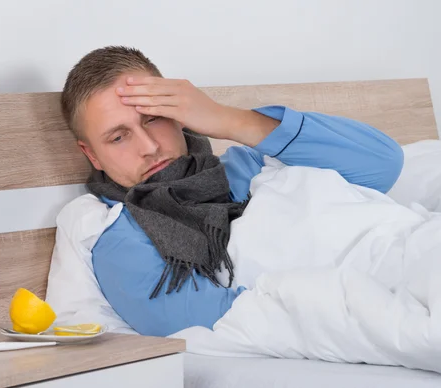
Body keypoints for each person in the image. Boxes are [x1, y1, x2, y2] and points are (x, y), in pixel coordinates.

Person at [59, 46, 403, 337]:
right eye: (119, 137)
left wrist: (230, 121)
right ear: (91, 154)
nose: (149, 146)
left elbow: (382, 165)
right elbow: (184, 319)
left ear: (179, 113)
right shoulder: (116, 232)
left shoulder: (252, 165)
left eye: (154, 118)